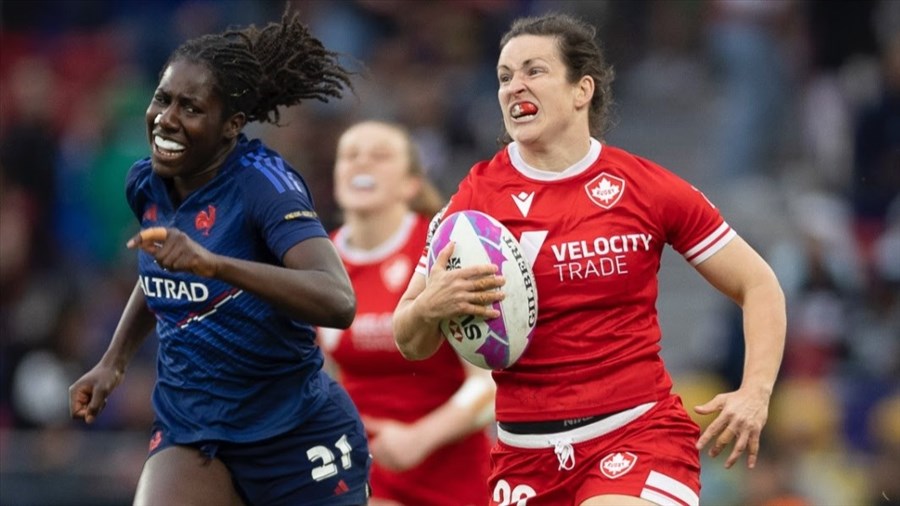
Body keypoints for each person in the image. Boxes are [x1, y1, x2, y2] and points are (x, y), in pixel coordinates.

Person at [393, 12, 786, 506]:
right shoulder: (473, 202)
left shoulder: (646, 187)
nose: (515, 87)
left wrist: (755, 391)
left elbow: (759, 284)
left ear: (582, 90)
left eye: (533, 71)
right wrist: (431, 306)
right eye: (504, 77)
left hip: (637, 437)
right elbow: (408, 338)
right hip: (524, 455)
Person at [67, 10, 371, 506]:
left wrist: (216, 265)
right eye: (162, 99)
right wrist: (114, 361)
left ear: (231, 125)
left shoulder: (264, 186)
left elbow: (338, 300)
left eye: (190, 108)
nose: (166, 118)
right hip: (193, 429)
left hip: (293, 434)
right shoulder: (145, 183)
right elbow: (163, 272)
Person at [321, 120, 493, 505]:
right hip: (363, 474)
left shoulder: (445, 251)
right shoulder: (318, 261)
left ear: (411, 183)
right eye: (349, 155)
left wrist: (419, 439)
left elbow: (489, 387)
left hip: (451, 476)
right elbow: (325, 380)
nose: (361, 163)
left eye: (380, 156)